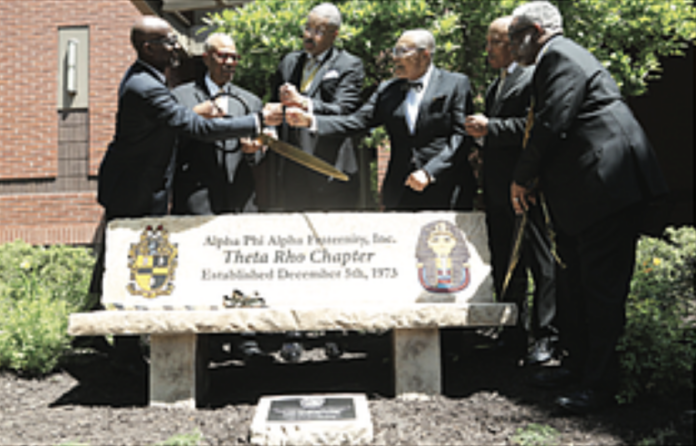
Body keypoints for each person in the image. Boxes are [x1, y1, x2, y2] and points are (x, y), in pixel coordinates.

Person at [507, 1, 668, 414]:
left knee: (601, 290)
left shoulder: (560, 56)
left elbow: (552, 123)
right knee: (575, 283)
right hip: (588, 191)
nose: (509, 44)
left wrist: (522, 177)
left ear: (537, 30)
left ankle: (599, 386)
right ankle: (578, 367)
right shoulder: (555, 58)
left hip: (608, 186)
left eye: (514, 35)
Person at [94, 16, 276, 372]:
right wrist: (255, 120)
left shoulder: (243, 98)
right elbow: (187, 125)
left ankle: (128, 349)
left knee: (131, 261)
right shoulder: (151, 87)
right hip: (143, 189)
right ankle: (124, 349)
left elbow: (174, 126)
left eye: (235, 57)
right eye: (169, 42)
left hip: (204, 194)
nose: (177, 47)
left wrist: (256, 146)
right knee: (127, 263)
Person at [285, 28, 475, 211]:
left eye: (402, 51)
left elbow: (461, 137)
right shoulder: (387, 90)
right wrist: (311, 121)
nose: (395, 57)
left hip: (447, 188)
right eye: (394, 51)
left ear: (424, 55)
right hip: (401, 190)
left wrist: (429, 172)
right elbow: (356, 122)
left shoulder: (456, 84)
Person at [170, 33, 271, 364]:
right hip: (198, 197)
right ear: (206, 58)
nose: (230, 62)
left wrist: (256, 152)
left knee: (243, 266)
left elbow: (262, 156)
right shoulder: (182, 97)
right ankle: (209, 339)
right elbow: (171, 145)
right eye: (223, 56)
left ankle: (246, 338)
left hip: (241, 197)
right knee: (203, 267)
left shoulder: (251, 102)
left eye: (235, 57)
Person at [464, 16, 557, 366]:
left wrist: (493, 127)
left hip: (527, 185)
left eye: (496, 42)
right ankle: (512, 330)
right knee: (505, 258)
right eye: (488, 42)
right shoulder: (495, 85)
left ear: (515, 44)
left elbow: (537, 127)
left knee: (539, 260)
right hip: (498, 187)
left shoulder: (534, 78)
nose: (489, 49)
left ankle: (546, 335)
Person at [264, 2, 365, 211]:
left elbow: (343, 111)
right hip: (292, 166)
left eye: (318, 31)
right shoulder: (289, 62)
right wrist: (269, 128)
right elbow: (274, 102)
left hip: (330, 167)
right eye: (308, 28)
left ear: (334, 34)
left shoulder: (349, 65)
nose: (309, 35)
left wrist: (303, 102)